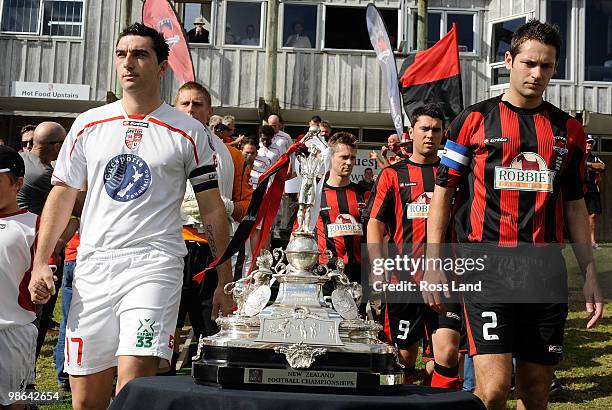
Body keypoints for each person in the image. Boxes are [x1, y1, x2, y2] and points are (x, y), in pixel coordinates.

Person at [27, 23, 234, 410]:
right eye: (122, 54)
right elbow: (63, 193)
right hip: (93, 266)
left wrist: (225, 278)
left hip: (154, 266)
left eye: (140, 54)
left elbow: (211, 208)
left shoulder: (189, 132)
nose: (129, 63)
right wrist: (42, 261)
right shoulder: (88, 124)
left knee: (133, 388)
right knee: (85, 398)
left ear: (161, 67)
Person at [426, 20, 604, 409]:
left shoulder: (569, 130)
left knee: (536, 387)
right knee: (492, 389)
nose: (537, 73)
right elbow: (443, 194)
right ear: (509, 61)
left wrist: (589, 272)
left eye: (547, 66)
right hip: (485, 267)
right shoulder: (472, 120)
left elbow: (574, 205)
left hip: (545, 271)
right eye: (529, 63)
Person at [366, 104, 462, 388]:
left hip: (445, 277)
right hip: (402, 278)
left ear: (444, 134)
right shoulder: (392, 175)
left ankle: (440, 405)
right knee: (404, 357)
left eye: (436, 130)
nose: (430, 135)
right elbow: (374, 222)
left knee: (446, 351)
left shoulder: (454, 176)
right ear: (411, 132)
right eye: (424, 128)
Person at [173, 81, 253, 354]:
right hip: (172, 246)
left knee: (212, 328)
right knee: (166, 327)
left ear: (210, 111)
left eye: (198, 104)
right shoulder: (158, 146)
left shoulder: (231, 155)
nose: (191, 110)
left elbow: (247, 206)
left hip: (213, 250)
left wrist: (226, 207)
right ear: (175, 107)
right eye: (185, 104)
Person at [294, 132, 368, 284]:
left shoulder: (364, 194)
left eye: (352, 158)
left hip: (358, 273)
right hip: (325, 272)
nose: (349, 162)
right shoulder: (315, 194)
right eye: (344, 157)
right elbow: (298, 233)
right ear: (331, 157)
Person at [0, 146, 38, 409]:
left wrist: (43, 286)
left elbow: (42, 275)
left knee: (12, 404)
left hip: (11, 332)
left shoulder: (35, 225)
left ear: (18, 183)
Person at [584, 135, 605, 249]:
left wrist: (588, 165)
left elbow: (602, 166)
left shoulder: (594, 158)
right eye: (587, 142)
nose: (589, 145)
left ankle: (592, 242)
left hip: (592, 190)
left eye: (591, 143)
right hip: (578, 190)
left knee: (592, 215)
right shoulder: (577, 156)